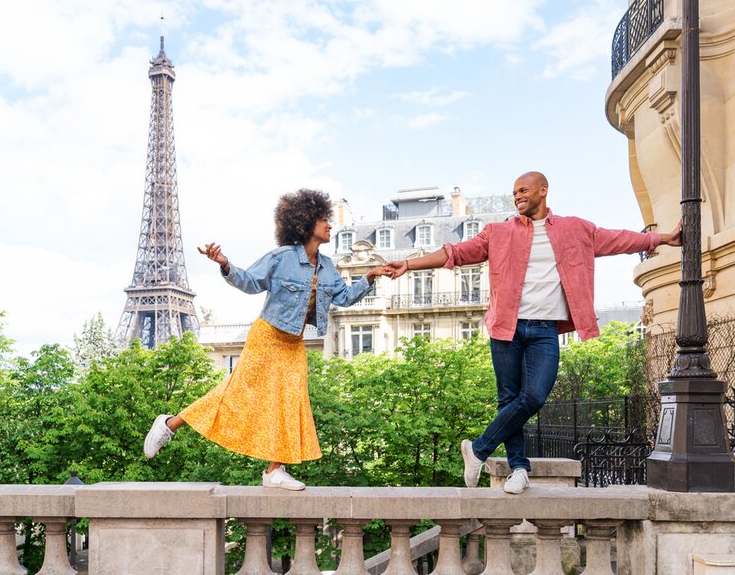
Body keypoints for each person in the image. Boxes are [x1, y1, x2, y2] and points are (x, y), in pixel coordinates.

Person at [388, 171, 680, 493]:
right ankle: (519, 469)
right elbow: (455, 253)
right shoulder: (498, 232)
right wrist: (409, 265)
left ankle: (479, 450)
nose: (517, 197)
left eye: (523, 190)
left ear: (543, 190)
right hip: (506, 326)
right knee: (509, 400)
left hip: (544, 329)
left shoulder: (575, 229)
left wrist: (663, 238)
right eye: (514, 192)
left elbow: (619, 240)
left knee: (535, 396)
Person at [143, 188, 393, 490]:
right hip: (267, 336)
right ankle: (169, 424)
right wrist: (224, 263)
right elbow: (249, 282)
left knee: (291, 401)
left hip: (293, 343)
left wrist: (371, 276)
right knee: (238, 393)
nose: (330, 225)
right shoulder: (282, 258)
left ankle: (274, 470)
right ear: (305, 223)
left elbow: (345, 297)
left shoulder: (327, 267)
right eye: (324, 219)